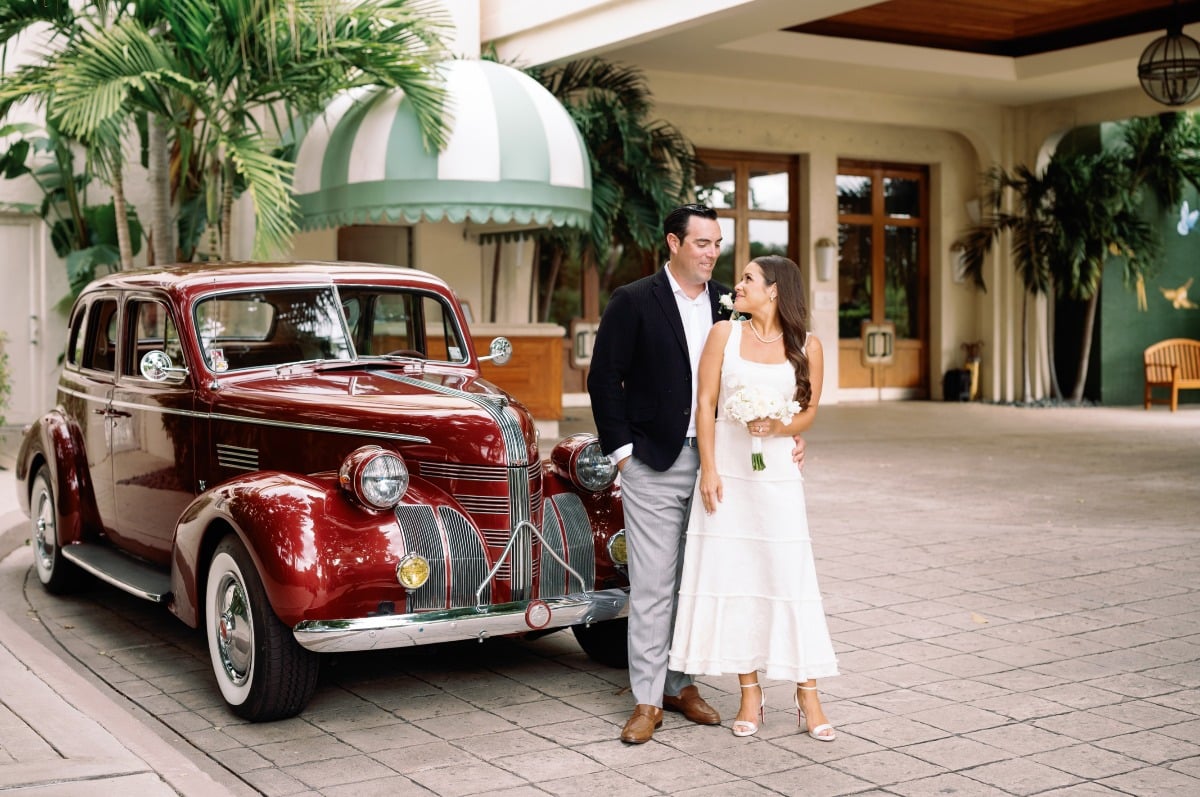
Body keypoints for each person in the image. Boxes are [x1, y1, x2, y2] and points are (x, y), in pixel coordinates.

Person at [667, 254, 839, 742]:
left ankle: (808, 692)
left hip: (778, 475)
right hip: (730, 473)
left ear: (775, 290)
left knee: (788, 576)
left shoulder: (808, 345)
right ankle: (750, 692)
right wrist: (709, 468)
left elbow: (809, 411)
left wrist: (780, 427)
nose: (737, 286)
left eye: (747, 279)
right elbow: (704, 404)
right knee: (736, 575)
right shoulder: (724, 335)